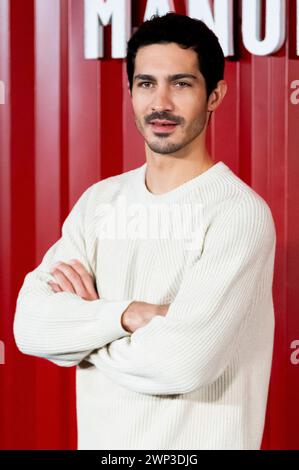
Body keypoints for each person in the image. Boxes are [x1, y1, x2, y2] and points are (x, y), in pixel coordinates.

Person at [13, 12, 276, 450]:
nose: (161, 103)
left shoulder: (238, 213)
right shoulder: (99, 203)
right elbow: (30, 327)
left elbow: (180, 363)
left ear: (215, 95)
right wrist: (127, 314)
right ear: (131, 91)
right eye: (146, 83)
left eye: (182, 83)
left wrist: (83, 334)